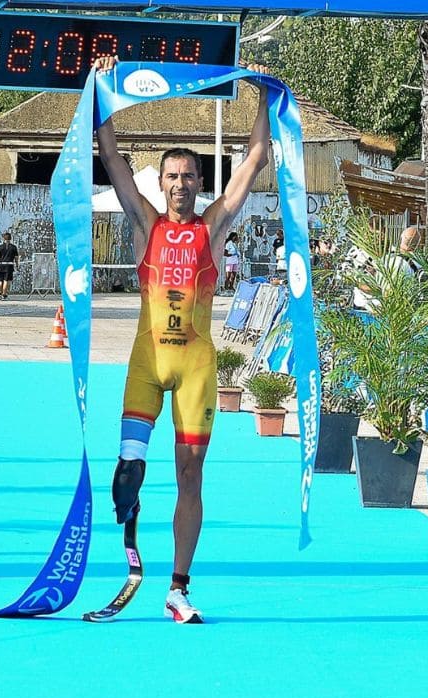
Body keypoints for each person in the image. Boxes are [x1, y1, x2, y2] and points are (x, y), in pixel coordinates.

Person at [93, 55, 273, 623]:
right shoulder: (146, 221)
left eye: (188, 177)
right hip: (147, 363)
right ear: (162, 182)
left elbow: (254, 161)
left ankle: (178, 586)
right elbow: (112, 158)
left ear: (199, 182)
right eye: (171, 176)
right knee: (128, 475)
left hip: (196, 366)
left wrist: (263, 95)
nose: (179, 185)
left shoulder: (213, 225)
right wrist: (102, 85)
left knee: (191, 474)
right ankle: (130, 505)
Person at [0, 232, 19, 300]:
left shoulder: (0, 247)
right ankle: (4, 295)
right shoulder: (13, 247)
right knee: (6, 280)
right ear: (10, 239)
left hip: (2, 265)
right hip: (9, 266)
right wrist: (17, 265)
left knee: (0, 280)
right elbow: (16, 257)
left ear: (4, 239)